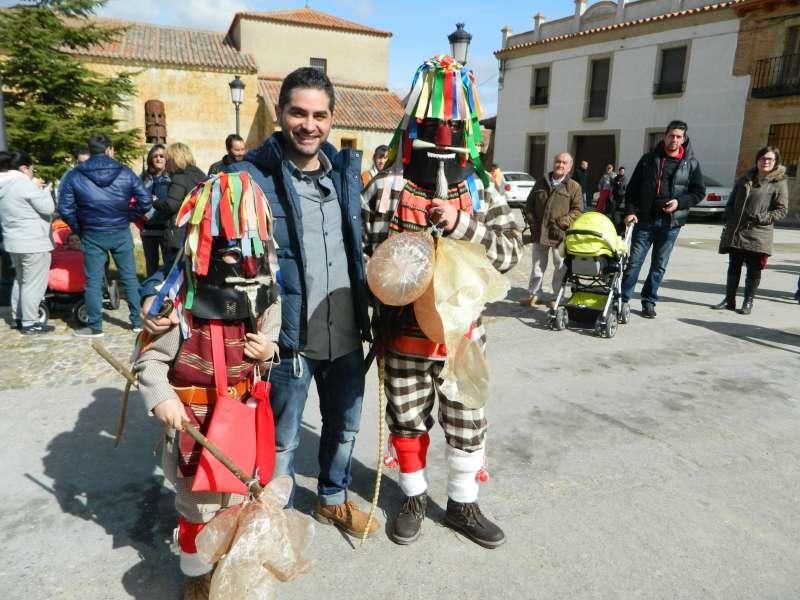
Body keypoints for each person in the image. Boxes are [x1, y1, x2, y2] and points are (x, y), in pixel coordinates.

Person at [140, 67, 376, 539]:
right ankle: (269, 516)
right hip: (284, 339)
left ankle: (332, 498)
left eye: (319, 115)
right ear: (281, 114)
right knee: (281, 439)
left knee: (345, 427)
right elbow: (193, 244)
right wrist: (157, 292)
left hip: (347, 330)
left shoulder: (348, 176)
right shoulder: (245, 179)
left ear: (332, 119)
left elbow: (362, 247)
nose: (309, 124)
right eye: (298, 113)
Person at [363, 55, 522, 549]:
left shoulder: (481, 188)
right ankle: (412, 495)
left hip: (463, 340)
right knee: (406, 418)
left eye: (454, 124)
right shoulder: (385, 188)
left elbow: (510, 253)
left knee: (466, 421)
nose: (444, 133)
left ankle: (462, 504)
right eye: (435, 122)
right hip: (403, 338)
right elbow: (367, 258)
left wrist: (462, 224)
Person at [133, 174, 282, 599]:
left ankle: (229, 561)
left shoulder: (261, 293)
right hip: (193, 425)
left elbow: (275, 329)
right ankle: (196, 570)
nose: (235, 254)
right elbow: (151, 360)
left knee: (236, 500)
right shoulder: (179, 303)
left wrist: (267, 348)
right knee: (197, 507)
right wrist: (161, 398)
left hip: (240, 422)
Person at [58, 134, 151, 337]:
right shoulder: (125, 172)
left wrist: (80, 226)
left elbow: (64, 208)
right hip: (119, 230)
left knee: (92, 281)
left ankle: (95, 326)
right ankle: (137, 322)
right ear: (109, 149)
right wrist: (128, 216)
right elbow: (145, 200)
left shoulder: (75, 174)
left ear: (90, 151)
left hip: (92, 232)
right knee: (129, 277)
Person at [621, 120, 705, 319]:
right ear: (664, 136)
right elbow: (632, 189)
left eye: (678, 137)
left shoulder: (691, 164)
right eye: (671, 135)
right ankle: (622, 299)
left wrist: (680, 202)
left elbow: (698, 192)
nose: (674, 140)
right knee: (634, 263)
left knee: (659, 265)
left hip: (670, 224)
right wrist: (630, 211)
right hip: (645, 221)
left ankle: (649, 301)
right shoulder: (649, 159)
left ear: (683, 139)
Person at [712, 146, 787, 315]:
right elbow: (732, 200)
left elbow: (781, 210)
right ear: (757, 160)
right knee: (734, 266)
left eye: (770, 159)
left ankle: (748, 302)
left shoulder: (779, 183)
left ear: (776, 162)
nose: (766, 162)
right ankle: (729, 300)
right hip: (737, 231)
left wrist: (761, 218)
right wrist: (729, 214)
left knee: (754, 269)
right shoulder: (745, 178)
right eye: (762, 158)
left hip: (758, 233)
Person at [0, 150, 55, 334]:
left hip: (13, 242)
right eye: (32, 169)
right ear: (24, 168)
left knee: (21, 280)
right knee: (33, 283)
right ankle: (30, 322)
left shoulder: (4, 184)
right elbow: (48, 208)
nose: (33, 173)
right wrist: (45, 191)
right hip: (33, 242)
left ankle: (18, 316)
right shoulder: (24, 184)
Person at [520, 152, 582, 308]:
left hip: (559, 234)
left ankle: (558, 296)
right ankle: (534, 295)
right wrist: (532, 221)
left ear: (569, 167)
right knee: (537, 266)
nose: (560, 165)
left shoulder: (573, 186)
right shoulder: (541, 182)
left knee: (560, 267)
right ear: (553, 163)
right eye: (558, 161)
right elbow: (529, 204)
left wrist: (562, 222)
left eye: (564, 163)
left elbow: (577, 211)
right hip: (540, 232)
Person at [158, 143, 206, 261]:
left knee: (174, 271)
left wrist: (155, 202)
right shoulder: (200, 175)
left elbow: (171, 205)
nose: (166, 163)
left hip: (180, 233)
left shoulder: (180, 177)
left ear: (175, 160)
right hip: (197, 231)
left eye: (168, 160)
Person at [139, 144, 171, 276]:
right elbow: (135, 199)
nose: (158, 159)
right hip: (147, 228)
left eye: (162, 156)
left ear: (167, 159)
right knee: (151, 264)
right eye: (155, 156)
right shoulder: (143, 178)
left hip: (166, 227)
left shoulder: (171, 178)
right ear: (150, 159)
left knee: (169, 262)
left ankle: (168, 291)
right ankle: (151, 291)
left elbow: (170, 202)